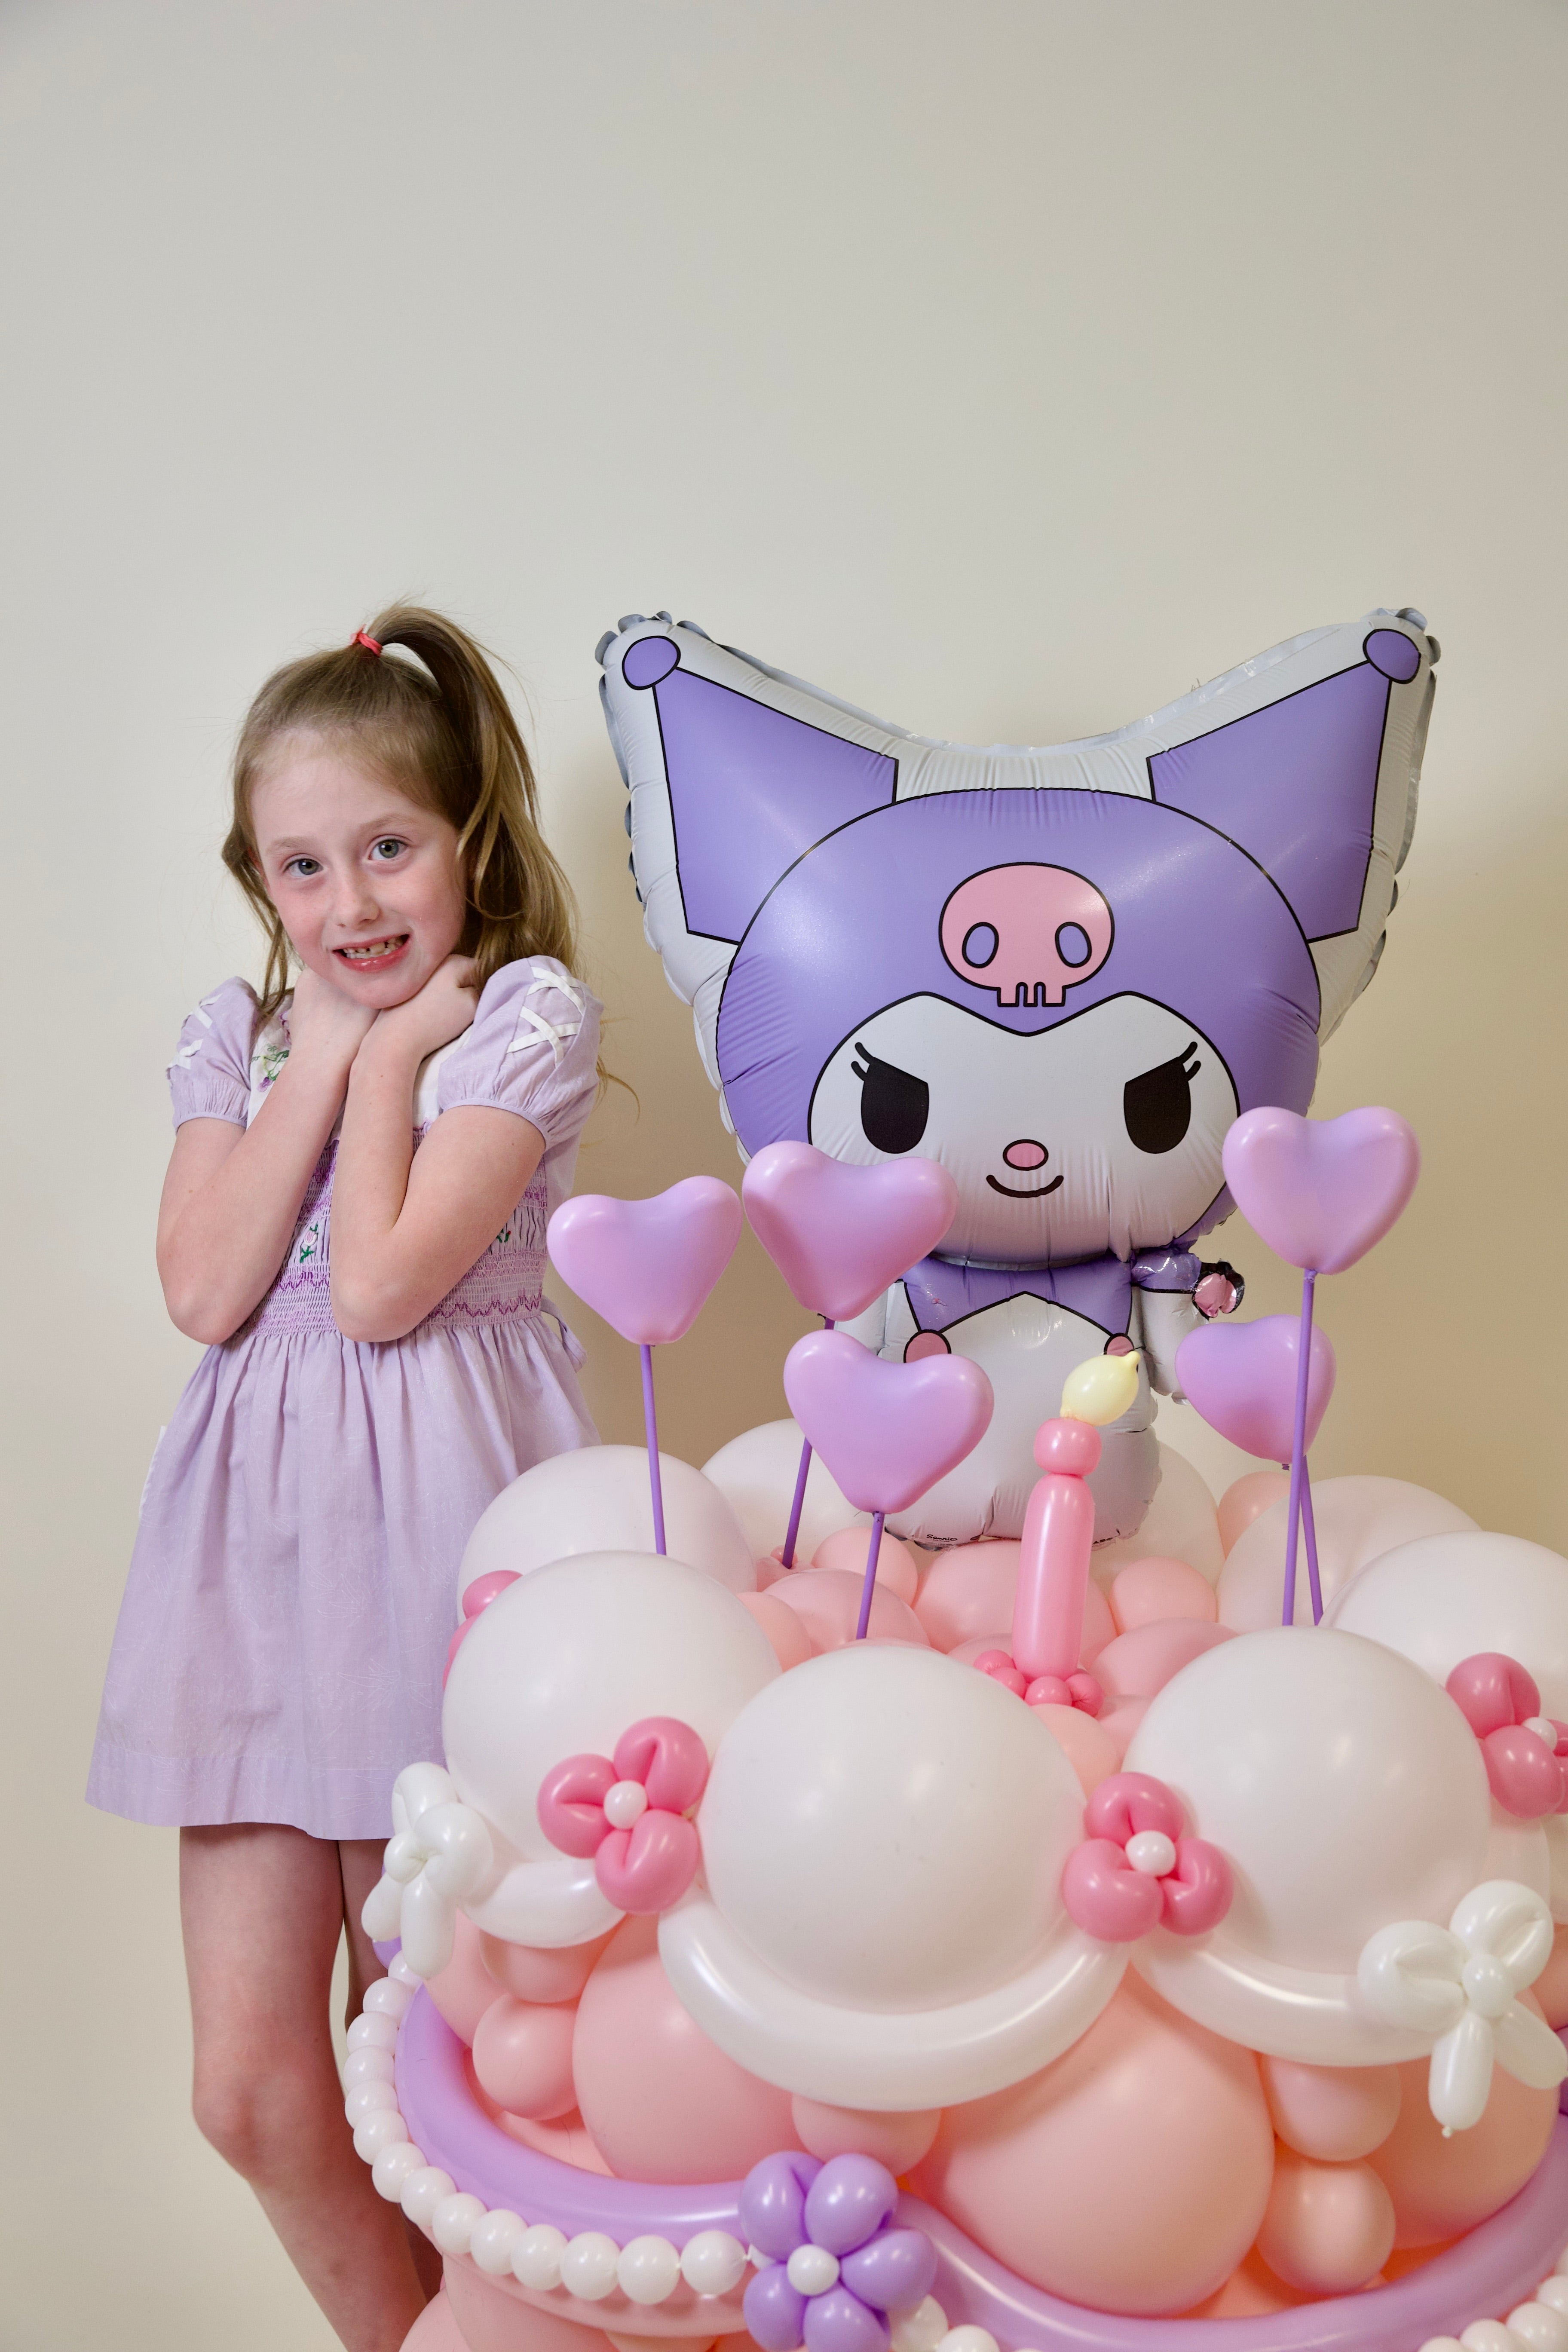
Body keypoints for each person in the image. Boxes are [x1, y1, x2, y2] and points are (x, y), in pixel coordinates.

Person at [87, 607, 603, 2349]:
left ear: (464, 836)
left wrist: (388, 1058)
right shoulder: (240, 1038)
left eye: (387, 849)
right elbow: (206, 1288)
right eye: (302, 866)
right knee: (251, 2089)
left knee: (426, 2074)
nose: (353, 905)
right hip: (247, 1573)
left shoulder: (518, 1020)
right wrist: (328, 1048)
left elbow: (381, 1288)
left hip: (435, 1559)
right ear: (260, 876)